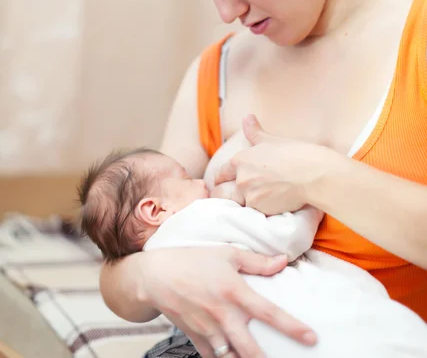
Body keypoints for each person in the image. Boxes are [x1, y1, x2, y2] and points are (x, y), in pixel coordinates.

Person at [99, 0, 427, 358]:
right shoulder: (218, 72)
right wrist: (153, 275)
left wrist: (315, 176)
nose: (226, 11)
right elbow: (120, 264)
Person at [78, 147, 427, 357]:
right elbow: (284, 237)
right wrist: (313, 201)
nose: (202, 182)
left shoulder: (161, 242)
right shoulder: (202, 215)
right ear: (154, 210)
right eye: (186, 177)